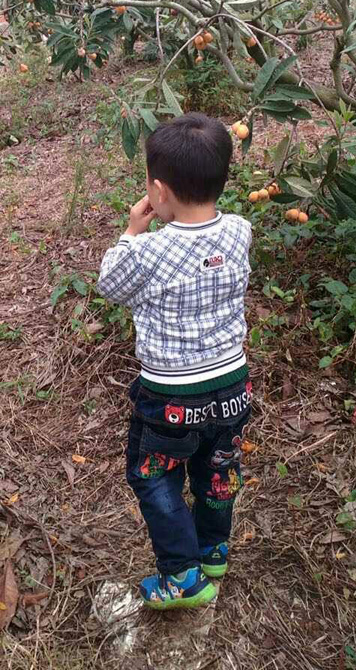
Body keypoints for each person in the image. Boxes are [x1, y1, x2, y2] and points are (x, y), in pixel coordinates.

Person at [96, 113, 252, 610]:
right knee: (218, 468)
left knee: (154, 475)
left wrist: (131, 233)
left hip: (171, 395)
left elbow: (110, 284)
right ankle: (213, 549)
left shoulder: (148, 252)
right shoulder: (240, 231)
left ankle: (182, 575)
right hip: (233, 386)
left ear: (158, 191)